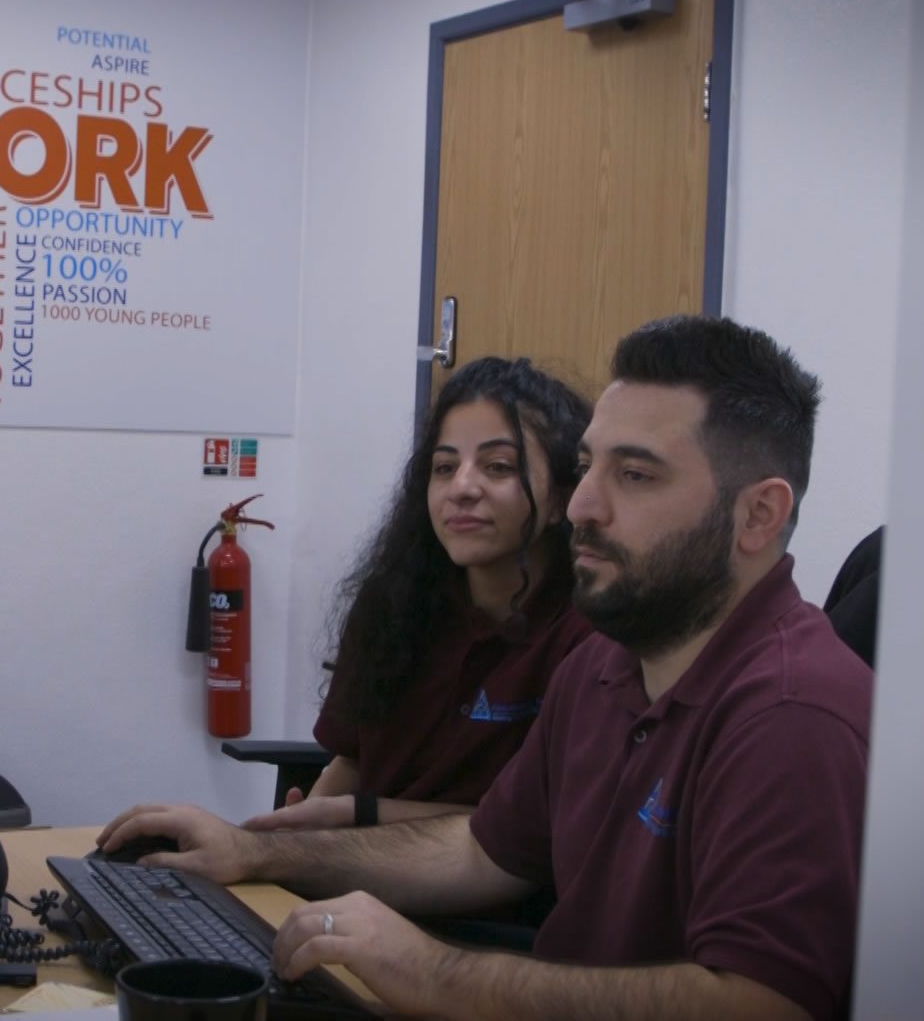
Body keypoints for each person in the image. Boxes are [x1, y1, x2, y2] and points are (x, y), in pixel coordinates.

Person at [102, 316, 873, 1020]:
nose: (582, 508)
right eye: (587, 468)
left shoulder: (792, 714)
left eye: (635, 476)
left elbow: (762, 1005)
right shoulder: (605, 667)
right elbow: (481, 851)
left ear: (759, 515)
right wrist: (257, 851)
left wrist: (434, 971)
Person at [244, 356, 596, 832]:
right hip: (353, 872)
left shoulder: (590, 633)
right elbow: (351, 760)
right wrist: (286, 836)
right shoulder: (396, 603)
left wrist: (360, 814)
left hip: (493, 898)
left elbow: (538, 830)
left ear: (561, 499)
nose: (462, 488)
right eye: (445, 467)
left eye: (497, 466)